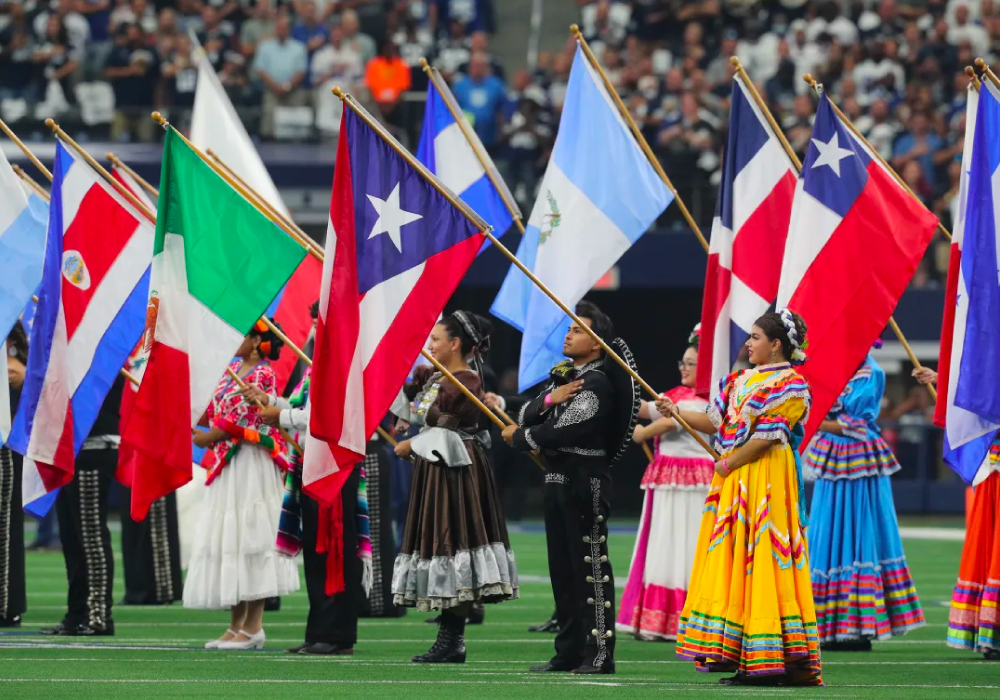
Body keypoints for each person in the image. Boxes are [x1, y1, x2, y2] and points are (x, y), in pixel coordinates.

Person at [657, 310, 822, 687]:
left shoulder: (792, 385)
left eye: (755, 337)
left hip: (764, 478)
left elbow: (767, 438)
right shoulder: (738, 380)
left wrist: (728, 461)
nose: (749, 343)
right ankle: (744, 655)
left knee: (763, 557)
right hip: (734, 478)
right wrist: (678, 412)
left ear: (776, 344)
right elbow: (715, 422)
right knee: (735, 559)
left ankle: (767, 658)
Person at [503, 300, 642, 675]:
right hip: (556, 476)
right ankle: (567, 651)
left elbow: (568, 427)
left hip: (586, 479)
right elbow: (527, 410)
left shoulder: (596, 382)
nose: (568, 334)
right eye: (569, 328)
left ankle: (599, 653)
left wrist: (522, 437)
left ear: (597, 343)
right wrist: (550, 399)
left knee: (589, 565)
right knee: (561, 569)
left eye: (577, 330)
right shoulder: (563, 377)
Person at [391, 312, 517, 663]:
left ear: (455, 344)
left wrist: (410, 445)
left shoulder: (465, 381)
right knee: (440, 544)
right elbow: (412, 407)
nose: (430, 347)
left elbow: (445, 429)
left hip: (456, 471)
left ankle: (452, 639)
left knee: (453, 542)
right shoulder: (437, 377)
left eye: (435, 340)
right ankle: (448, 638)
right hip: (434, 469)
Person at [183, 320, 299, 650]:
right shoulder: (230, 369)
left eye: (241, 335)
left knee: (252, 539)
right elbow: (219, 412)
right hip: (230, 464)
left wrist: (210, 436)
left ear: (255, 341)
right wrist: (197, 421)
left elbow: (246, 420)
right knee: (230, 541)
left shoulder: (263, 375)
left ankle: (254, 626)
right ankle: (235, 625)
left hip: (252, 461)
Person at [805, 344, 925, 651]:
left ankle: (856, 625)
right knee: (826, 534)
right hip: (834, 455)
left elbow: (855, 425)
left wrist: (813, 421)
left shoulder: (873, 373)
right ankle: (828, 623)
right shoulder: (838, 369)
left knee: (858, 534)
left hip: (856, 459)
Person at [617, 324, 713, 642]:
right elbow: (646, 408)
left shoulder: (707, 399)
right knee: (664, 541)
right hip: (669, 477)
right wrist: (620, 392)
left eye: (691, 364)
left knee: (689, 543)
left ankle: (689, 614)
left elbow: (672, 421)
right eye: (682, 363)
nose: (684, 368)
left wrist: (643, 431)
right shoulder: (674, 395)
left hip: (695, 481)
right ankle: (660, 617)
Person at [913, 368, 1000, 660]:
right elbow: (982, 388)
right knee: (988, 548)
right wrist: (943, 381)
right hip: (991, 468)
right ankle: (990, 631)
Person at [40, 375, 125, 636]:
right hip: (68, 446)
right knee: (72, 537)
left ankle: (99, 616)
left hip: (95, 445)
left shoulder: (107, 344)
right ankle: (76, 613)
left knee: (91, 536)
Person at [0, 322, 28, 628]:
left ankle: (7, 604)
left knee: (5, 525)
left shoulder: (19, 339)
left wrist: (21, 373)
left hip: (7, 441)